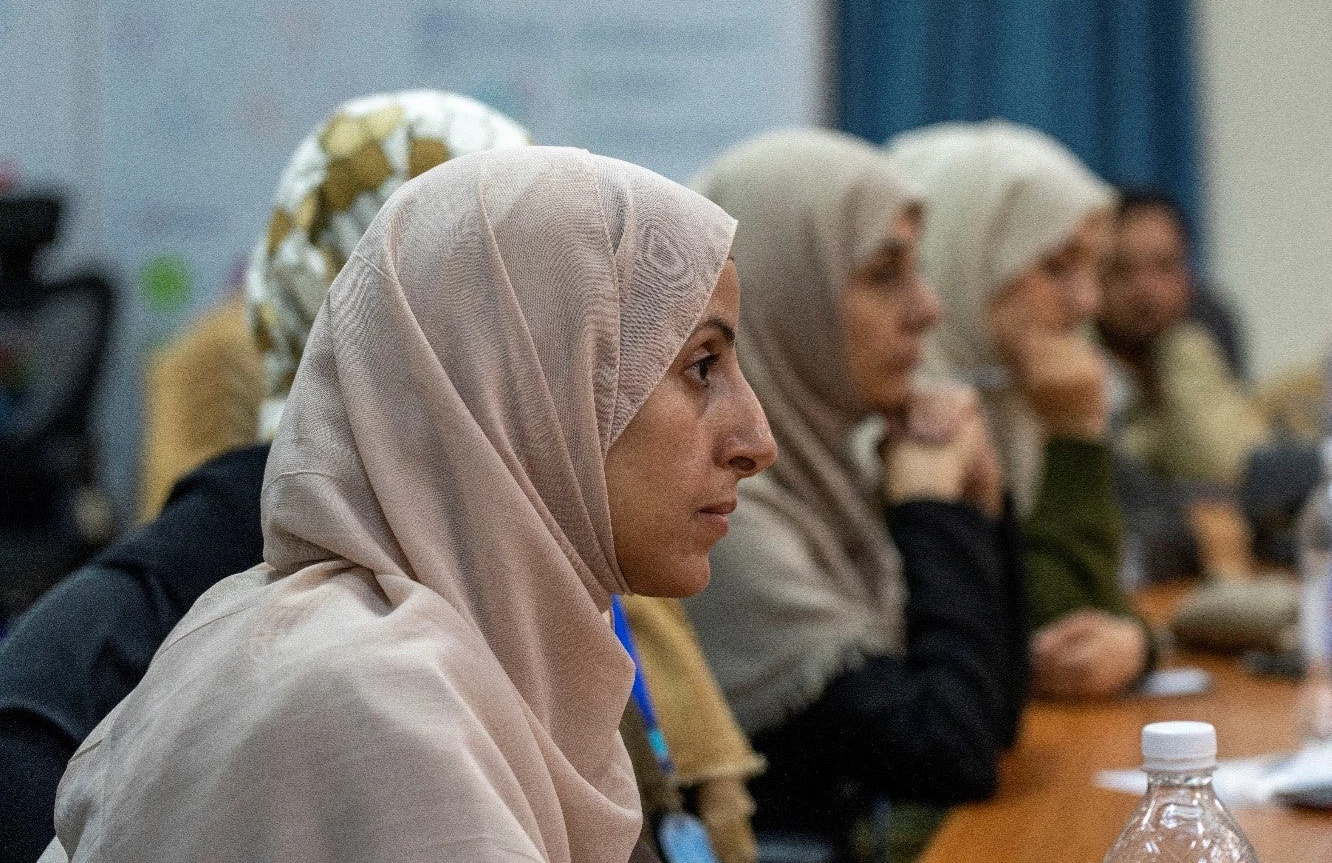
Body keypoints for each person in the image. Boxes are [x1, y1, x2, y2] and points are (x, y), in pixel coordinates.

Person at [3, 93, 768, 863]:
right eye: (701, 364)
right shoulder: (375, 708)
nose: (757, 440)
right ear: (524, 378)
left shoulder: (534, 648)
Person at [684, 130, 1027, 862]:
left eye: (919, 271)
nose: (927, 308)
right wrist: (937, 515)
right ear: (782, 294)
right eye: (884, 273)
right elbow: (951, 753)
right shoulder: (725, 511)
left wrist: (980, 508)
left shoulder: (830, 472)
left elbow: (994, 715)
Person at [888, 120, 1151, 699]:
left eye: (1094, 270)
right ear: (964, 253)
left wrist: (1135, 644)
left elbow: (1085, 625)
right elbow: (1039, 636)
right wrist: (1076, 435)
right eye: (1057, 266)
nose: (1088, 302)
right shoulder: (892, 415)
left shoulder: (1011, 395)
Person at [1097, 188, 1269, 580]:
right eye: (1122, 270)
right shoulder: (1077, 366)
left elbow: (1238, 468)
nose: (1146, 290)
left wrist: (1174, 355)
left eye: (1165, 267)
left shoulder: (1195, 343)